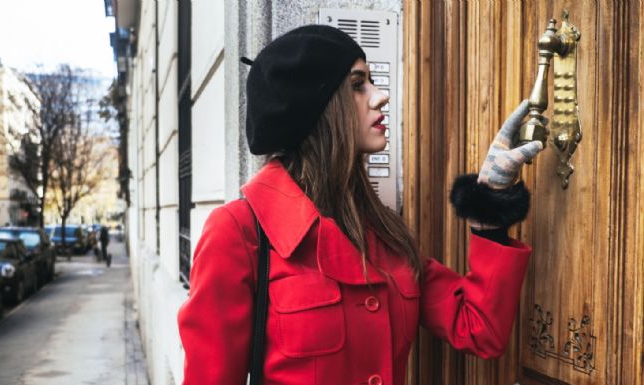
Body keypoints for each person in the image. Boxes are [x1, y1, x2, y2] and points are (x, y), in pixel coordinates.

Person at [177, 25, 544, 385]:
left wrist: (489, 207)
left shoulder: (383, 233)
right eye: (357, 85)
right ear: (316, 106)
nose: (380, 96)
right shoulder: (239, 232)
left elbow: (478, 330)